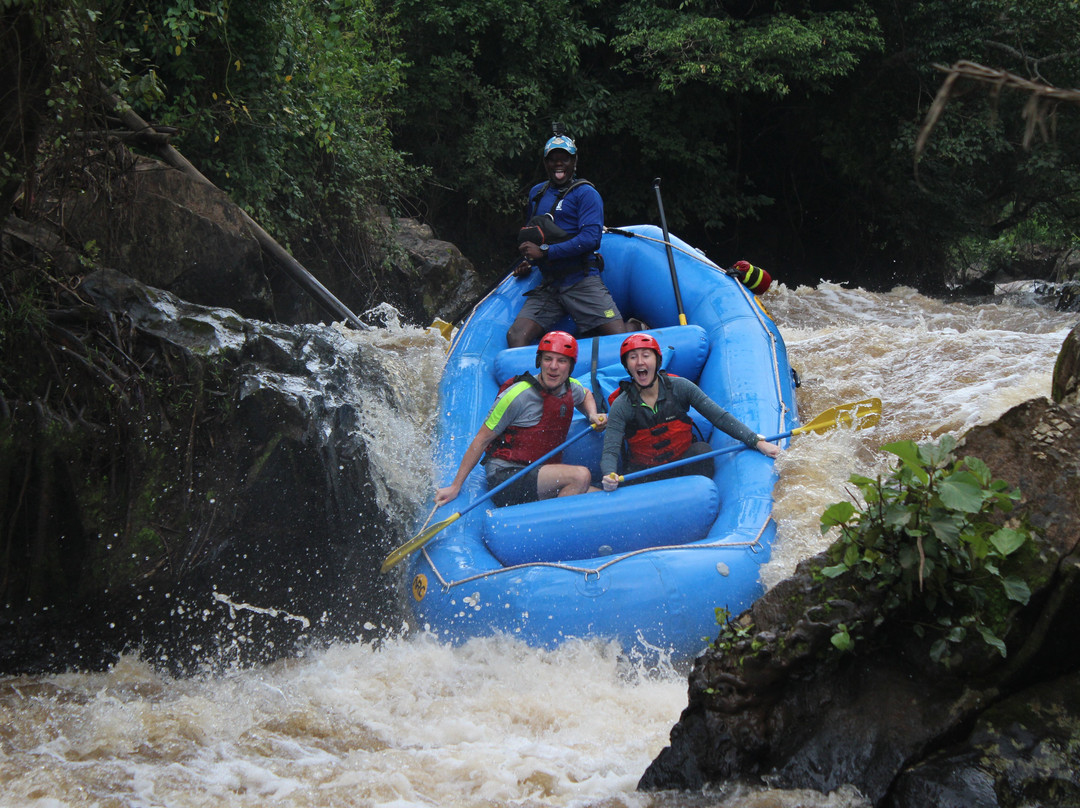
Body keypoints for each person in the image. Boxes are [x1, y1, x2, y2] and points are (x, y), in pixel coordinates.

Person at [435, 331, 607, 508]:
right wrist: (455, 486)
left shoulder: (570, 387)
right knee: (580, 476)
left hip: (539, 473)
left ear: (570, 366)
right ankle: (553, 525)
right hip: (506, 476)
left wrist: (592, 414)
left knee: (602, 499)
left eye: (561, 361)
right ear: (539, 361)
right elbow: (481, 439)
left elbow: (585, 394)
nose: (553, 366)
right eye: (548, 359)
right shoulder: (516, 396)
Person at [600, 333, 781, 491]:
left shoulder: (681, 387)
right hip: (646, 473)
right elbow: (610, 450)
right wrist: (609, 474)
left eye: (646, 355)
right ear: (627, 366)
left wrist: (755, 441)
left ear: (657, 361)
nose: (640, 362)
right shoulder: (621, 404)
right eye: (633, 357)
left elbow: (719, 417)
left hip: (684, 464)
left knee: (702, 450)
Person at [506, 131, 627, 348]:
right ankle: (532, 380)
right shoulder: (537, 193)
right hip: (550, 284)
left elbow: (591, 240)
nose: (558, 164)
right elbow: (533, 234)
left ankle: (637, 327)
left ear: (574, 161)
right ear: (545, 162)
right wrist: (530, 262)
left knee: (620, 341)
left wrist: (545, 252)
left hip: (580, 279)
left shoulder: (586, 194)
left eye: (564, 158)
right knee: (516, 337)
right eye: (553, 159)